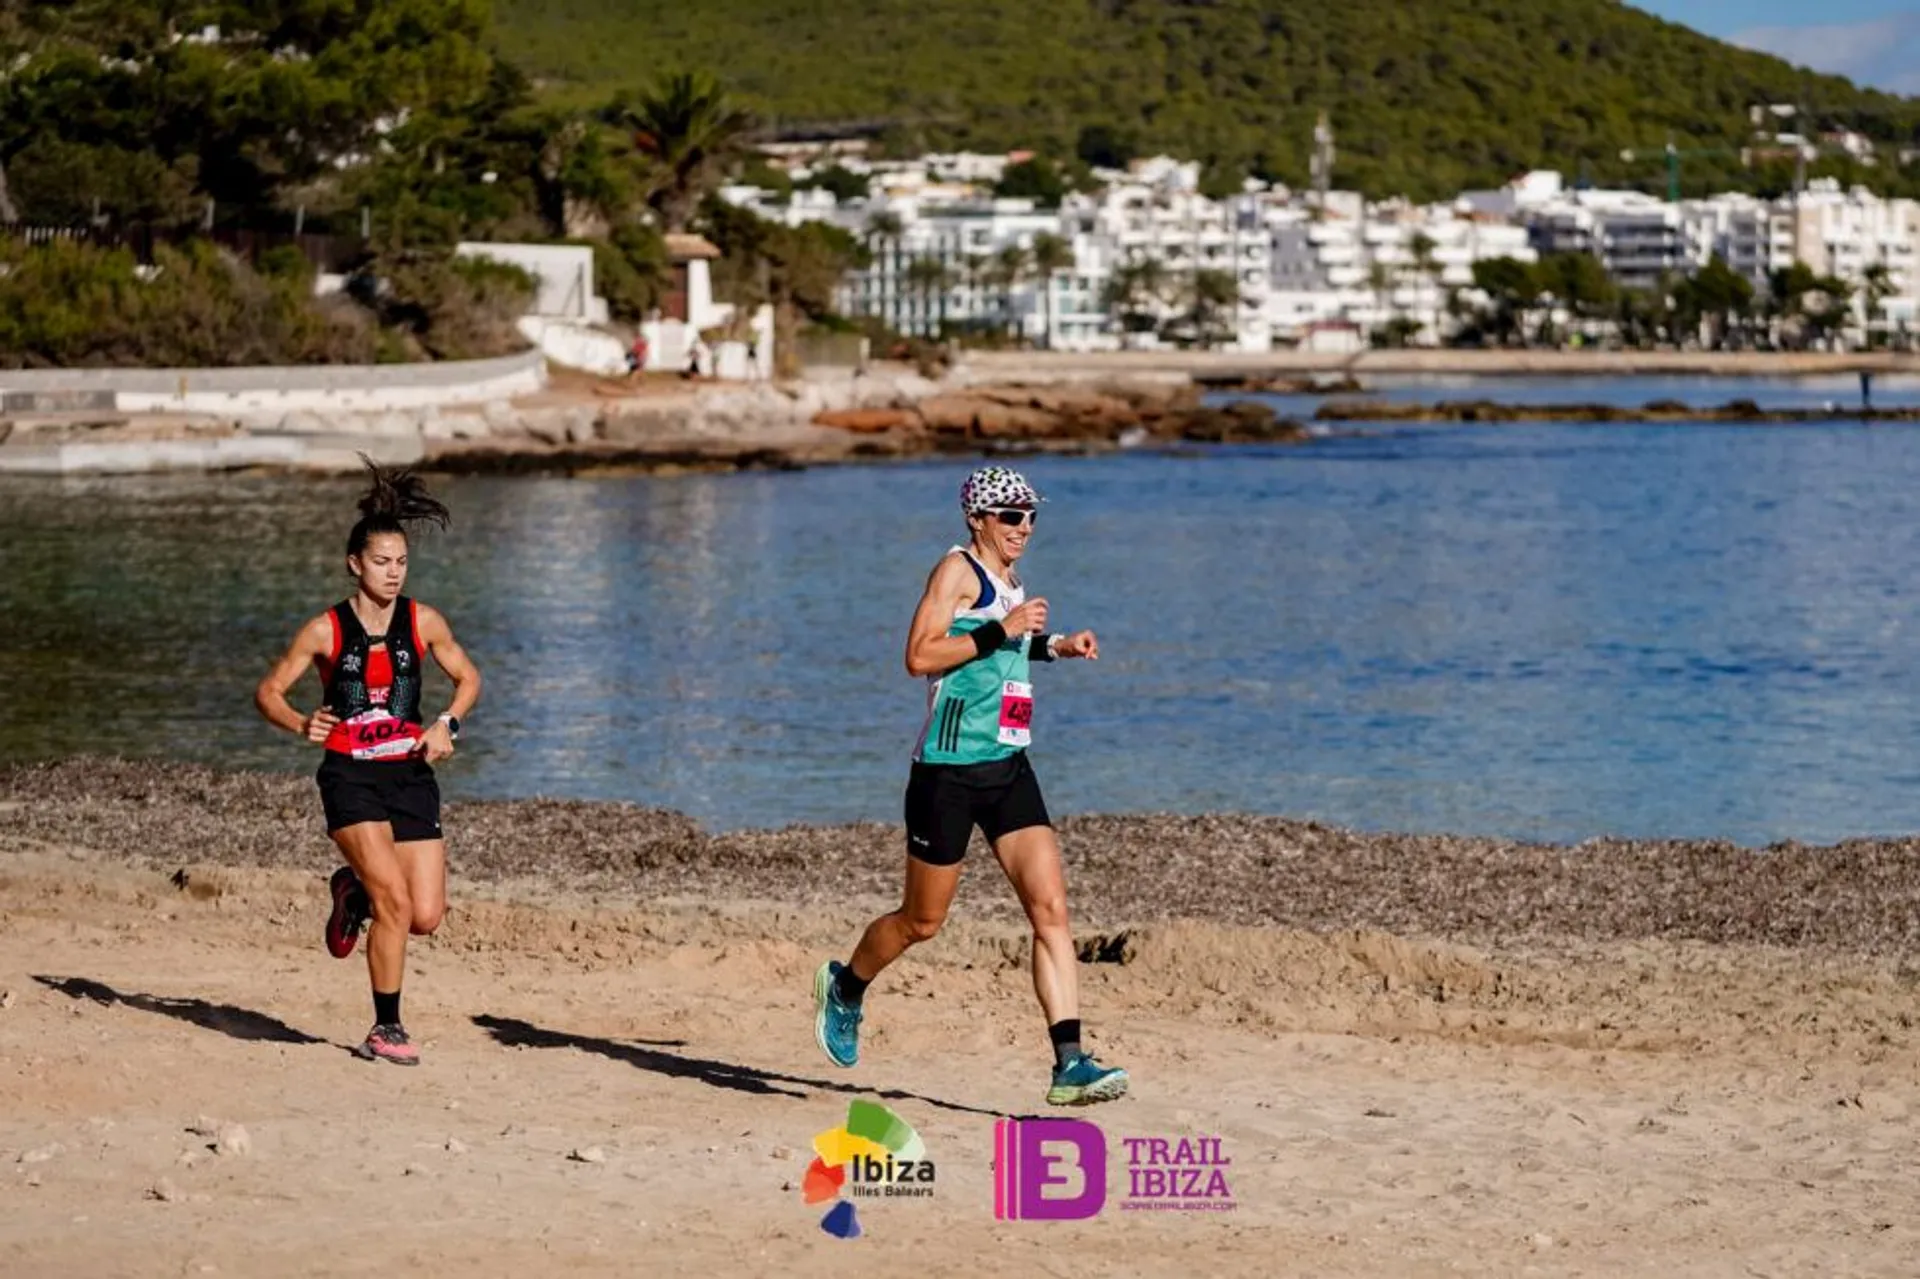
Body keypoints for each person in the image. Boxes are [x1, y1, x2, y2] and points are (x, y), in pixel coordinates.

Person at [811, 466, 1129, 1106]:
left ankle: (1070, 1062)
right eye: (1012, 516)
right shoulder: (956, 570)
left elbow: (999, 653)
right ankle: (846, 986)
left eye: (1032, 516)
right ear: (979, 518)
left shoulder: (1011, 582)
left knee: (1052, 912)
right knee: (921, 922)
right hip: (947, 773)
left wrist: (1055, 647)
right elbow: (920, 657)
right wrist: (1004, 630)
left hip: (1009, 767)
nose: (1025, 528)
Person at [253, 460, 482, 1066]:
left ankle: (349, 891)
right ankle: (387, 1027)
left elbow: (467, 678)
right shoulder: (325, 630)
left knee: (425, 917)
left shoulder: (423, 620)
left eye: (401, 562)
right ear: (355, 562)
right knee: (396, 906)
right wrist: (302, 722)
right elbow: (268, 692)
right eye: (382, 562)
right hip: (350, 776)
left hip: (409, 774)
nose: (392, 573)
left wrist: (446, 724)